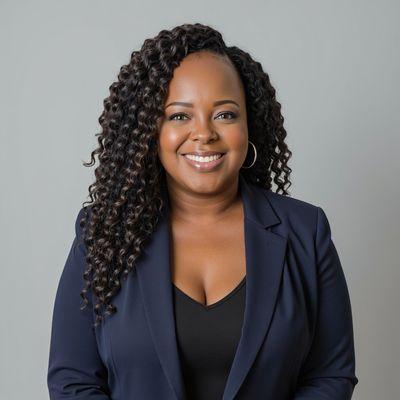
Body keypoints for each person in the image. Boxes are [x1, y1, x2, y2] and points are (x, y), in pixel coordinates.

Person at [47, 23, 358, 400]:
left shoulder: (306, 232)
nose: (204, 133)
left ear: (249, 125)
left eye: (225, 114)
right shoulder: (103, 233)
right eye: (180, 116)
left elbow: (331, 374)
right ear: (150, 130)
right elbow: (73, 380)